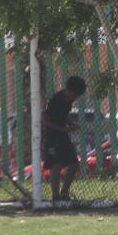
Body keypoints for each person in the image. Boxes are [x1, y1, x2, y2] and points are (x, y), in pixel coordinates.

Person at [41, 75, 87, 203]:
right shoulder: (56, 101)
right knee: (56, 164)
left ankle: (64, 193)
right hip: (52, 136)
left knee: (73, 163)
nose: (76, 98)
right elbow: (45, 119)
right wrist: (62, 129)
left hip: (62, 135)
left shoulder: (68, 101)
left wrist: (70, 123)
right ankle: (55, 196)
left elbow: (63, 116)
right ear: (70, 91)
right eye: (75, 95)